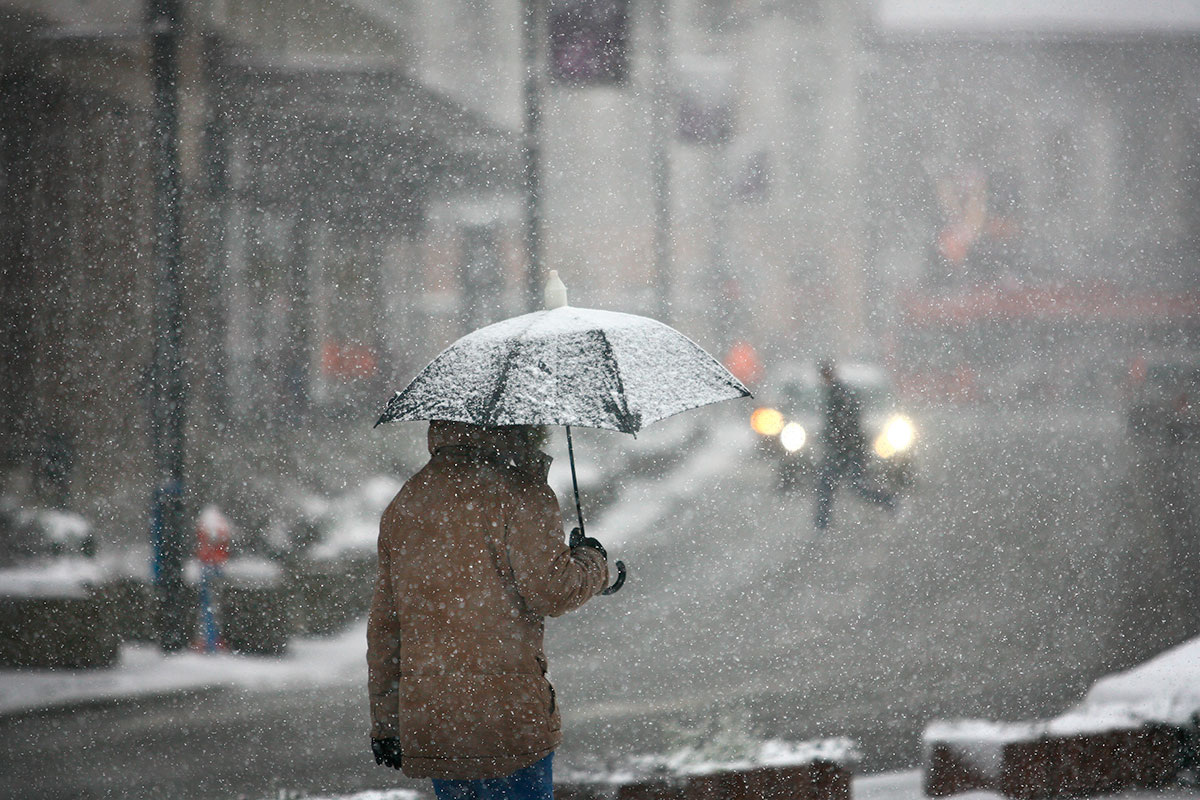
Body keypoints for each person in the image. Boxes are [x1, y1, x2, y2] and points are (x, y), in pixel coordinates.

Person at [367, 420, 609, 800]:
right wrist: (592, 560)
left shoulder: (408, 500)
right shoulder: (522, 494)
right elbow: (554, 591)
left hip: (437, 720)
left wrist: (386, 723)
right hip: (508, 718)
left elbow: (386, 626)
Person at [814, 359, 895, 529]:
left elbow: (847, 424)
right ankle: (822, 524)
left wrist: (840, 441)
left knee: (844, 486)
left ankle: (890, 501)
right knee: (836, 486)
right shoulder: (836, 393)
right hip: (846, 450)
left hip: (847, 450)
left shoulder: (839, 394)